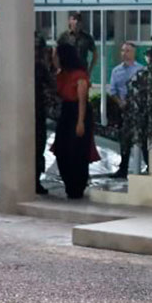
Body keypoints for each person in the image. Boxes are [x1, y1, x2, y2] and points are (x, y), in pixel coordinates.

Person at [51, 41, 99, 199]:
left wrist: (80, 122)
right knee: (61, 149)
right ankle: (68, 183)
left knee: (77, 151)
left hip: (78, 112)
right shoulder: (61, 74)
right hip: (66, 112)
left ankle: (77, 186)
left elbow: (82, 100)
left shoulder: (79, 75)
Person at [107, 41, 144, 177]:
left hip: (137, 108)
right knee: (124, 139)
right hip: (123, 109)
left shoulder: (140, 70)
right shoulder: (116, 71)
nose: (124, 53)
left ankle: (147, 166)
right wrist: (120, 102)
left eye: (128, 51)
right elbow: (112, 90)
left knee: (142, 138)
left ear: (133, 53)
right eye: (123, 50)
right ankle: (123, 168)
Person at [35, 30, 55, 194]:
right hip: (28, 113)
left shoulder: (41, 67)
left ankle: (35, 180)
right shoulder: (33, 67)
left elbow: (51, 87)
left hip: (38, 112)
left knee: (38, 148)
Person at [57, 11, 97, 79]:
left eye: (79, 20)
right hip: (67, 73)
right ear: (69, 21)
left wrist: (89, 71)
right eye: (74, 19)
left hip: (82, 72)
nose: (76, 22)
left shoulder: (87, 37)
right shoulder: (64, 37)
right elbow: (56, 53)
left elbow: (95, 55)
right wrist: (58, 68)